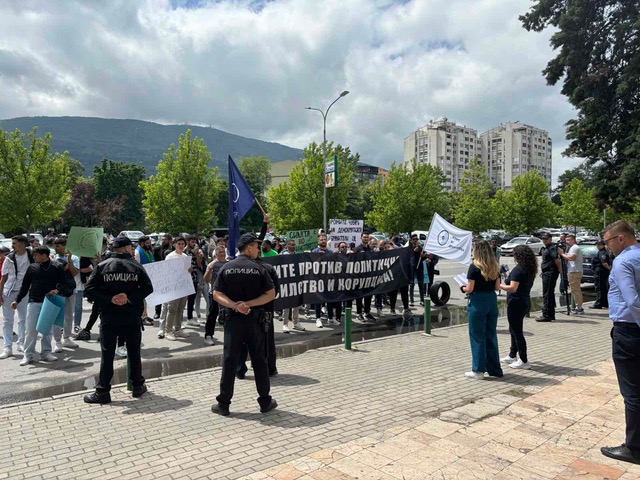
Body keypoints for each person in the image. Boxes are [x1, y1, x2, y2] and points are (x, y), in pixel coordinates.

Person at [211, 232, 277, 416]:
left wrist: (235, 306)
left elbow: (216, 294)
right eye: (256, 246)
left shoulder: (226, 268)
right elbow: (271, 294)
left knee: (230, 361)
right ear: (249, 247)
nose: (258, 250)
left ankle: (224, 403)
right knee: (259, 361)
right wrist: (249, 304)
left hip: (233, 321)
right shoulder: (260, 269)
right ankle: (265, 401)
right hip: (254, 321)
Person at [83, 236, 154, 404]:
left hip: (110, 315)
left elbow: (89, 290)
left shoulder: (102, 266)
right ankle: (137, 386)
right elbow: (147, 288)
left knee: (107, 354)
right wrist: (127, 297)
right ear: (127, 248)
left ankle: (103, 392)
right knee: (134, 351)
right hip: (131, 315)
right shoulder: (136, 266)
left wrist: (110, 298)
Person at [599, 221, 640, 465]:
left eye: (608, 242)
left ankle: (634, 447)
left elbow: (632, 301)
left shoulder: (623, 261)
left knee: (632, 392)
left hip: (629, 331)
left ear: (621, 238)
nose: (607, 247)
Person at [12, 246, 73, 366]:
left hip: (50, 302)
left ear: (44, 255)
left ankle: (46, 352)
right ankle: (28, 354)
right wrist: (17, 300)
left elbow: (65, 284)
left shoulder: (56, 267)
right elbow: (25, 286)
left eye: (36, 255)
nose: (34, 257)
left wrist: (57, 290)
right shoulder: (32, 267)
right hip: (34, 301)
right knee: (31, 329)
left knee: (47, 329)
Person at [461, 240, 503, 380]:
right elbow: (497, 287)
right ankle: (495, 369)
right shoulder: (495, 266)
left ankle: (478, 370)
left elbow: (470, 288)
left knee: (477, 336)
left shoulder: (474, 267)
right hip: (491, 300)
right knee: (491, 335)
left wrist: (463, 288)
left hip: (478, 301)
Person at [499, 245, 537, 369]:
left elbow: (512, 288)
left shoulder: (518, 269)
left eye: (514, 254)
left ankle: (524, 360)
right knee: (513, 329)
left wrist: (498, 285)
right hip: (524, 300)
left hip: (516, 302)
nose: (513, 256)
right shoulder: (529, 268)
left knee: (516, 331)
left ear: (519, 256)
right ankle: (512, 355)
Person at [0, 236, 34, 358]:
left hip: (24, 292)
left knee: (23, 319)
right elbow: (3, 277)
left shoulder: (31, 256)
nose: (12, 245)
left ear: (22, 244)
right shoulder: (8, 258)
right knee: (7, 320)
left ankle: (21, 343)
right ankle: (7, 347)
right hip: (8, 292)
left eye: (14, 243)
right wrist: (0, 294)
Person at [52, 237, 80, 350]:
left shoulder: (74, 257)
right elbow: (55, 273)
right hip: (57, 290)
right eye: (55, 246)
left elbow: (74, 273)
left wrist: (69, 262)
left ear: (65, 246)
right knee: (57, 316)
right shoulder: (53, 257)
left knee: (68, 315)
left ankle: (67, 338)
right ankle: (57, 341)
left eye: (58, 246)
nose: (56, 248)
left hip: (70, 290)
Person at [163, 237, 192, 341]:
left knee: (180, 309)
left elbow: (188, 271)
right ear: (175, 244)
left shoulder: (185, 256)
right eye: (179, 243)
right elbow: (166, 271)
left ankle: (178, 329)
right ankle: (168, 331)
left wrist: (190, 270)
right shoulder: (170, 256)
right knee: (172, 309)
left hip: (183, 287)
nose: (181, 246)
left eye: (182, 244)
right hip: (173, 287)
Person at [203, 245, 228, 345]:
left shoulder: (229, 263)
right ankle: (208, 336)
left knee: (228, 315)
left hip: (227, 294)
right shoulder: (212, 264)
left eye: (223, 252)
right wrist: (209, 270)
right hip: (215, 294)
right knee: (212, 315)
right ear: (216, 254)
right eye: (220, 252)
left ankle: (230, 337)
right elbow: (206, 280)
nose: (222, 254)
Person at [281, 240, 305, 333]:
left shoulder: (297, 255)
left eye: (294, 245)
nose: (293, 246)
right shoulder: (282, 255)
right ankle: (285, 324)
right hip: (286, 282)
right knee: (286, 304)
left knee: (296, 304)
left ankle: (296, 323)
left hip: (296, 282)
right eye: (291, 244)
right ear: (287, 246)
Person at [537, 233, 562, 322]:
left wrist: (559, 269)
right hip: (546, 273)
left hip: (550, 273)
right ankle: (550, 314)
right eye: (543, 239)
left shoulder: (551, 248)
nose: (544, 240)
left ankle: (547, 314)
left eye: (546, 239)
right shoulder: (547, 248)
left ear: (550, 239)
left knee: (547, 294)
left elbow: (557, 260)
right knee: (549, 294)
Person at [559, 234, 584, 314]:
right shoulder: (572, 248)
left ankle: (579, 307)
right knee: (575, 289)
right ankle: (578, 306)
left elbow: (571, 258)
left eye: (569, 240)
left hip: (575, 271)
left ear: (574, 240)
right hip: (574, 271)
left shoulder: (574, 247)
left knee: (575, 290)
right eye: (566, 240)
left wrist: (562, 254)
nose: (567, 242)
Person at [590, 240, 612, 309]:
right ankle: (605, 303)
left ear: (603, 245)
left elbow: (604, 263)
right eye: (597, 245)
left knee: (599, 287)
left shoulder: (602, 252)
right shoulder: (602, 252)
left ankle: (598, 303)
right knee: (603, 288)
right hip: (602, 271)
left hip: (600, 271)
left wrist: (610, 269)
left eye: (599, 245)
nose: (597, 246)